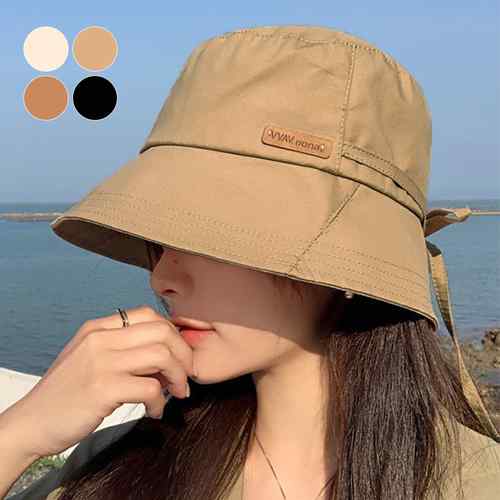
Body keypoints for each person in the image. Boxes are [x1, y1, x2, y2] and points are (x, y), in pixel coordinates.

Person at [2, 24, 499, 500]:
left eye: (208, 233)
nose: (161, 278)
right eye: (160, 238)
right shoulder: (120, 468)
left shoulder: (476, 484)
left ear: (350, 259)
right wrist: (23, 432)